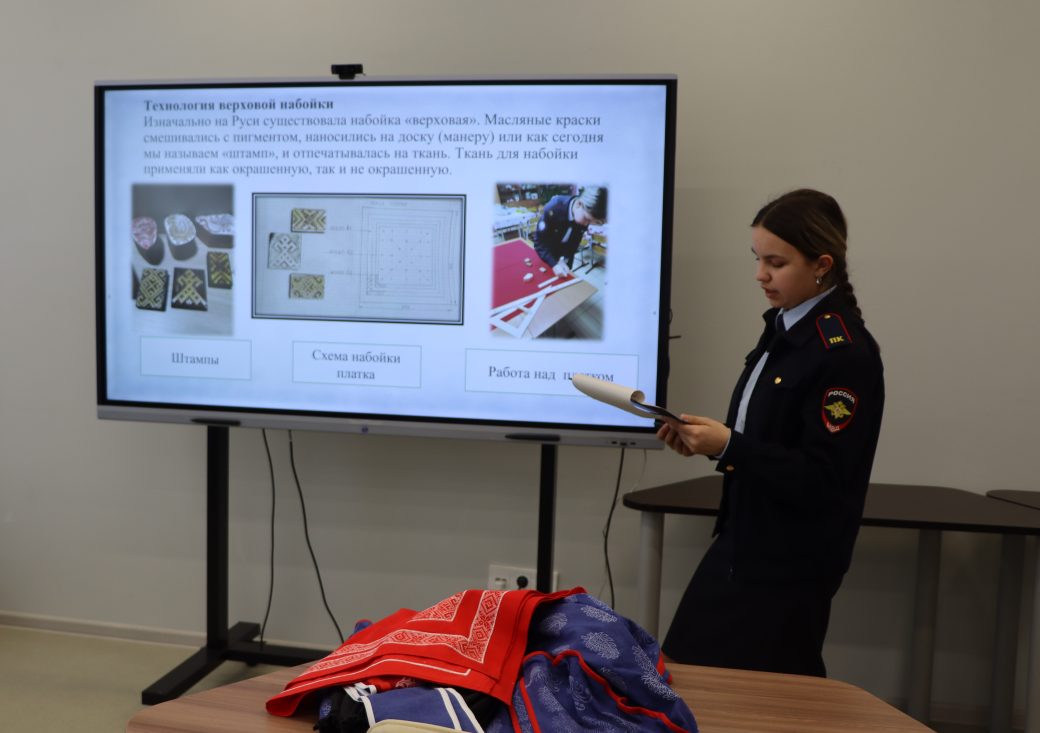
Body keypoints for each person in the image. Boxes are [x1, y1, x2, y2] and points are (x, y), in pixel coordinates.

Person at [656, 188, 884, 677]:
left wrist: (728, 445)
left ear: (821, 264)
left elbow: (822, 476)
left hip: (789, 561)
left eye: (776, 263)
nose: (760, 274)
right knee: (688, 676)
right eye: (757, 259)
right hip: (745, 540)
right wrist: (707, 442)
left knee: (759, 693)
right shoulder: (785, 326)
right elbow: (764, 439)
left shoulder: (841, 352)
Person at [530, 186, 607, 276]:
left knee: (566, 279)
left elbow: (575, 241)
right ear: (579, 204)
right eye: (586, 219)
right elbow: (539, 243)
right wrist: (554, 264)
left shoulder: (583, 217)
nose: (586, 224)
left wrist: (564, 259)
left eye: (591, 222)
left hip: (565, 258)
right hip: (547, 256)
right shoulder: (554, 208)